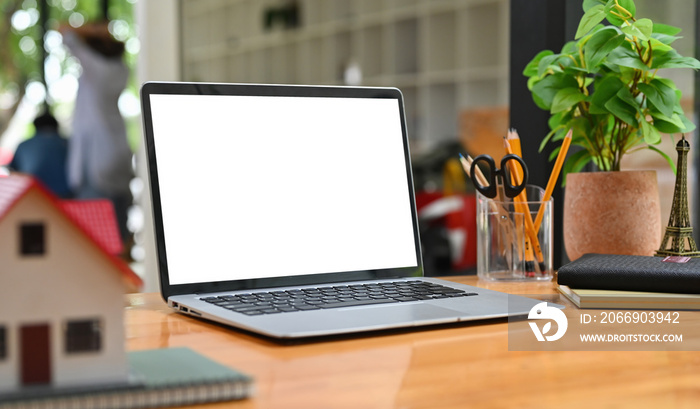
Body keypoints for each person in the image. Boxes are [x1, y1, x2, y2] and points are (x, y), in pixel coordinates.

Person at [60, 22, 133, 244]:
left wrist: (91, 31)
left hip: (96, 161)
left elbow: (64, 31)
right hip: (119, 153)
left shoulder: (96, 69)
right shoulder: (121, 70)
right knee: (120, 236)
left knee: (96, 241)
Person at [9, 112, 72, 198]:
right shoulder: (68, 143)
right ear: (56, 127)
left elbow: (14, 171)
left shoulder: (24, 145)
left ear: (35, 127)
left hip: (33, 196)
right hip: (65, 196)